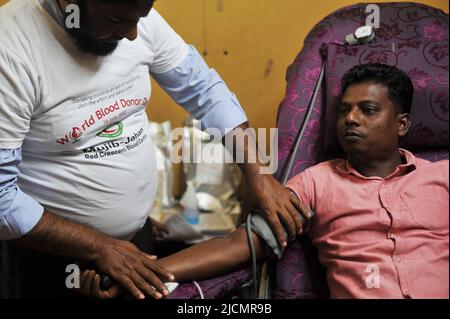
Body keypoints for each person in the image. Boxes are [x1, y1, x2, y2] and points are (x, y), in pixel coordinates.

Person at [0, 0, 308, 299]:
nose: (133, 33)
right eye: (117, 20)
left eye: (139, 18)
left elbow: (204, 91)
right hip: (50, 257)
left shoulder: (136, 21)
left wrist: (257, 173)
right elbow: (2, 201)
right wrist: (97, 246)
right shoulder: (12, 46)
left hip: (135, 243)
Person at [78, 63, 448, 299]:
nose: (350, 119)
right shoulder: (315, 184)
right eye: (344, 110)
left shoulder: (441, 178)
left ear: (401, 125)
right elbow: (244, 245)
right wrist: (141, 273)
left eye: (367, 110)